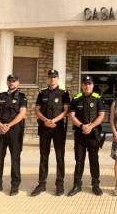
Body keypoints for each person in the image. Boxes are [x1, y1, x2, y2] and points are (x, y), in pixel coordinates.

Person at [0, 74, 27, 196]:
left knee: (15, 158)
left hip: (14, 131)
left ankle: (15, 186)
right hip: (0, 131)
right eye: (10, 81)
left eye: (14, 81)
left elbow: (22, 114)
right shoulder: (1, 96)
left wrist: (8, 126)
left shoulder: (22, 97)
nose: (12, 83)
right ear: (7, 82)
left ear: (18, 83)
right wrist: (0, 125)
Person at [30, 69, 70, 197]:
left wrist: (53, 120)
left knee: (59, 157)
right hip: (45, 128)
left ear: (58, 78)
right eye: (50, 77)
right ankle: (41, 184)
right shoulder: (42, 92)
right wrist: (46, 120)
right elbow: (37, 110)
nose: (52, 79)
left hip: (58, 128)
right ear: (48, 78)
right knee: (43, 156)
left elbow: (66, 111)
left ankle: (60, 184)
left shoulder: (64, 92)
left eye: (55, 77)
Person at [68, 75, 106, 196]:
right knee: (79, 160)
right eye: (85, 84)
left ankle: (95, 185)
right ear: (82, 85)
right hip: (80, 134)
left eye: (89, 84)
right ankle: (77, 185)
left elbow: (101, 115)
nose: (87, 86)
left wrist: (90, 126)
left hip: (93, 134)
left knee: (94, 160)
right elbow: (72, 115)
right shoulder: (76, 98)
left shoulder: (97, 98)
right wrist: (81, 126)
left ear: (93, 85)